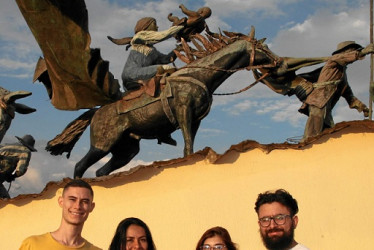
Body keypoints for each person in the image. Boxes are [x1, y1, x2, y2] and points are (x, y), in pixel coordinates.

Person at [301, 41, 374, 140]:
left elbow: (349, 95)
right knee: (314, 131)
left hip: (326, 105)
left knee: (327, 130)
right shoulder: (333, 61)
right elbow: (343, 58)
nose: (354, 52)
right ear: (344, 52)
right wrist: (362, 52)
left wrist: (363, 108)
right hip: (318, 101)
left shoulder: (342, 74)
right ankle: (307, 146)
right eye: (352, 51)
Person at [19, 179, 101, 250]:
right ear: (61, 202)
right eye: (72, 199)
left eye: (85, 201)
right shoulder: (32, 245)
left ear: (91, 207)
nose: (77, 206)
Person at [0, 134, 37, 199]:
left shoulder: (5, 145)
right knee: (6, 201)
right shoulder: (25, 151)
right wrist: (13, 176)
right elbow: (21, 170)